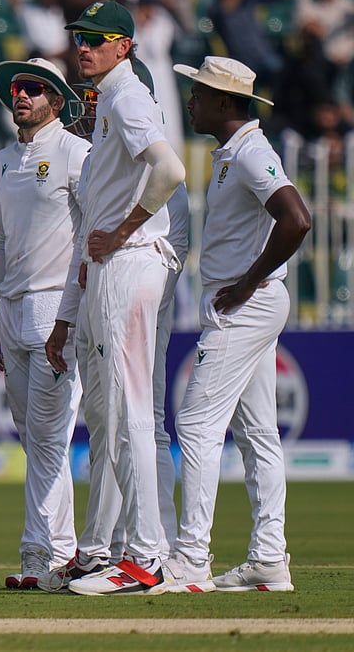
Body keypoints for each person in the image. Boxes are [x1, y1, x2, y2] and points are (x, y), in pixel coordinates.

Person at [163, 56, 310, 593]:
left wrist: (249, 281)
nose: (191, 100)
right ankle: (269, 557)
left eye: (199, 92)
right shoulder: (233, 152)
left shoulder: (251, 152)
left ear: (225, 103)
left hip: (245, 303)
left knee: (198, 424)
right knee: (257, 433)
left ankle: (191, 558)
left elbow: (297, 220)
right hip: (248, 299)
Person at [53, 0, 186, 596]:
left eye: (96, 39)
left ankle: (146, 559)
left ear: (124, 46)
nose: (83, 46)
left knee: (131, 413)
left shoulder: (127, 96)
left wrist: (127, 227)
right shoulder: (109, 99)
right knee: (111, 415)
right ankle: (109, 551)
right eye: (79, 37)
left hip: (129, 261)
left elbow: (171, 170)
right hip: (111, 265)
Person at [0, 57, 89, 589]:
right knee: (34, 439)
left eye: (34, 88)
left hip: (55, 308)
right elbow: (0, 243)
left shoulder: (76, 152)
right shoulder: (3, 158)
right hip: (14, 307)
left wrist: (68, 316)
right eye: (17, 88)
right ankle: (59, 549)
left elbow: (90, 239)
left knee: (48, 437)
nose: (21, 95)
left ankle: (42, 553)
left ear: (57, 98)